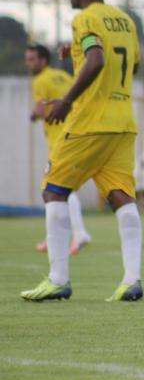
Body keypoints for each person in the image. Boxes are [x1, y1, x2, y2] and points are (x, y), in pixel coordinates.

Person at [21, 0, 143, 302]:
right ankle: (131, 280)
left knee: (53, 190)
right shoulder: (126, 21)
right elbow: (132, 66)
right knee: (121, 197)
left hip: (90, 122)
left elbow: (97, 59)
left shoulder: (86, 18)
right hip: (123, 124)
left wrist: (66, 100)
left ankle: (58, 279)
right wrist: (75, 52)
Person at [25, 44, 92, 255]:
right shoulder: (63, 77)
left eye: (33, 59)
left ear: (44, 60)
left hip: (59, 139)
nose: (29, 63)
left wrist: (34, 116)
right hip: (76, 133)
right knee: (58, 188)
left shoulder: (40, 80)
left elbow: (41, 109)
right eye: (28, 59)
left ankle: (79, 233)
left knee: (56, 188)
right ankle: (53, 237)